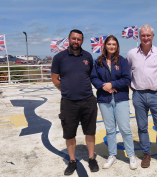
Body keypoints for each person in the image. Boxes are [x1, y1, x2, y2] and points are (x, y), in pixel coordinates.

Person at [51, 29, 99, 175]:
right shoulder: (59, 58)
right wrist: (65, 91)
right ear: (69, 39)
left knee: (90, 132)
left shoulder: (88, 57)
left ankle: (91, 158)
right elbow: (55, 79)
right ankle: (72, 161)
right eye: (74, 39)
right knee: (69, 133)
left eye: (79, 39)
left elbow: (92, 76)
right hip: (68, 103)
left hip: (88, 100)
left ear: (82, 41)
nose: (76, 41)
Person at [126, 24, 157, 168]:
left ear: (153, 36)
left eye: (148, 35)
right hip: (138, 95)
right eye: (143, 35)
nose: (145, 38)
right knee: (142, 127)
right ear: (139, 36)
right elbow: (127, 73)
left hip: (156, 95)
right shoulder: (131, 54)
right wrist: (133, 87)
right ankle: (146, 154)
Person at [90, 35, 137, 170]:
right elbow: (93, 77)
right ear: (105, 45)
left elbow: (127, 79)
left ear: (117, 47)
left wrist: (112, 84)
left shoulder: (122, 61)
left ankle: (131, 155)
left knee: (125, 128)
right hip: (104, 99)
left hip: (120, 98)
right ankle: (112, 155)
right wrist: (104, 86)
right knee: (110, 129)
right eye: (109, 44)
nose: (111, 46)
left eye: (114, 44)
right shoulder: (98, 61)